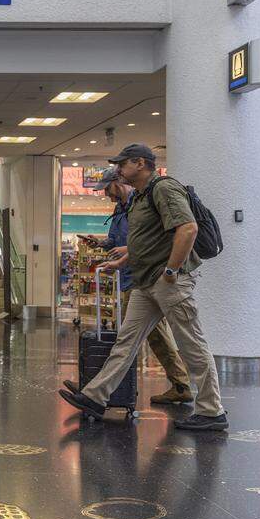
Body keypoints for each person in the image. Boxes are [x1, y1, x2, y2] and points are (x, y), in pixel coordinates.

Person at [57, 144, 228, 431]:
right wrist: (122, 260)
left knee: (192, 345)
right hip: (144, 280)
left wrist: (172, 270)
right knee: (126, 342)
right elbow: (145, 240)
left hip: (168, 281)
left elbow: (188, 228)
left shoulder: (164, 188)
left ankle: (212, 412)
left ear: (140, 163)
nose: (118, 170)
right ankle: (95, 397)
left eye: (122, 164)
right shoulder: (139, 196)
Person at [70, 168, 192, 405]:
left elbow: (153, 239)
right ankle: (179, 384)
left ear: (118, 182)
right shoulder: (121, 209)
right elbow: (118, 240)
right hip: (131, 278)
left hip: (143, 277)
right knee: (148, 337)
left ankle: (98, 388)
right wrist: (100, 243)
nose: (106, 194)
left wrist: (127, 252)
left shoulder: (142, 203)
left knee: (129, 338)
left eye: (107, 189)